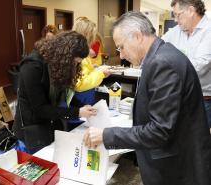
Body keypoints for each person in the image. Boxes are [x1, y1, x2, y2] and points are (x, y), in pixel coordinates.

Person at [83, 11, 211, 185]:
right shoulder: (159, 56)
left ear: (137, 36)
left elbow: (160, 130)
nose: (120, 55)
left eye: (121, 47)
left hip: (176, 167)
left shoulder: (162, 63)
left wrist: (107, 135)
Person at [13, 31, 97, 154]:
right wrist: (78, 112)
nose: (75, 66)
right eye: (74, 62)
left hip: (50, 126)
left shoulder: (58, 65)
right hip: (31, 130)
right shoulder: (32, 66)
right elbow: (40, 109)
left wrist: (81, 106)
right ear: (65, 56)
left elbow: (65, 94)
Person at [162, 0, 211, 131]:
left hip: (202, 100)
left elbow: (199, 65)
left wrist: (166, 71)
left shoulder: (209, 31)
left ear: (190, 10)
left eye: (178, 15)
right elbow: (158, 48)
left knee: (197, 143)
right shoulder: (176, 31)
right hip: (177, 97)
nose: (176, 20)